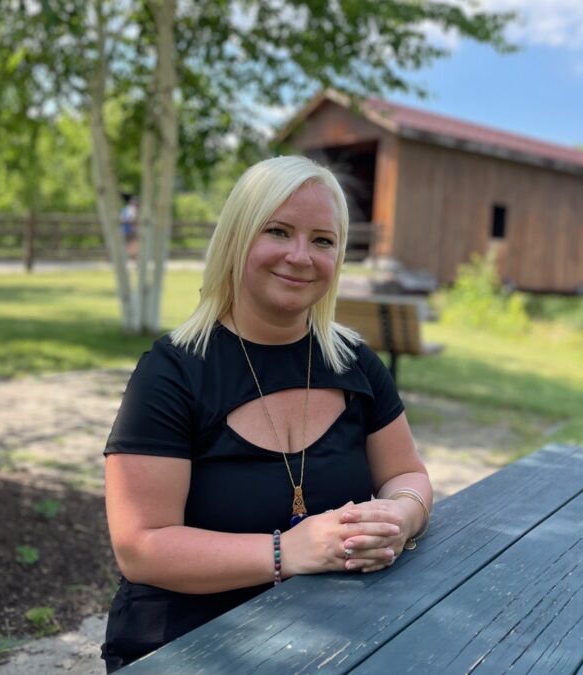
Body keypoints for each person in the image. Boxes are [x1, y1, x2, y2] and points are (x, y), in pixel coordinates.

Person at [100, 156, 433, 672]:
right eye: (278, 231)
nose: (301, 256)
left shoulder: (354, 362)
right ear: (237, 238)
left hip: (333, 636)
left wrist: (401, 516)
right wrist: (286, 553)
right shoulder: (172, 372)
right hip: (186, 647)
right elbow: (141, 546)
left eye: (323, 240)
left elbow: (406, 473)